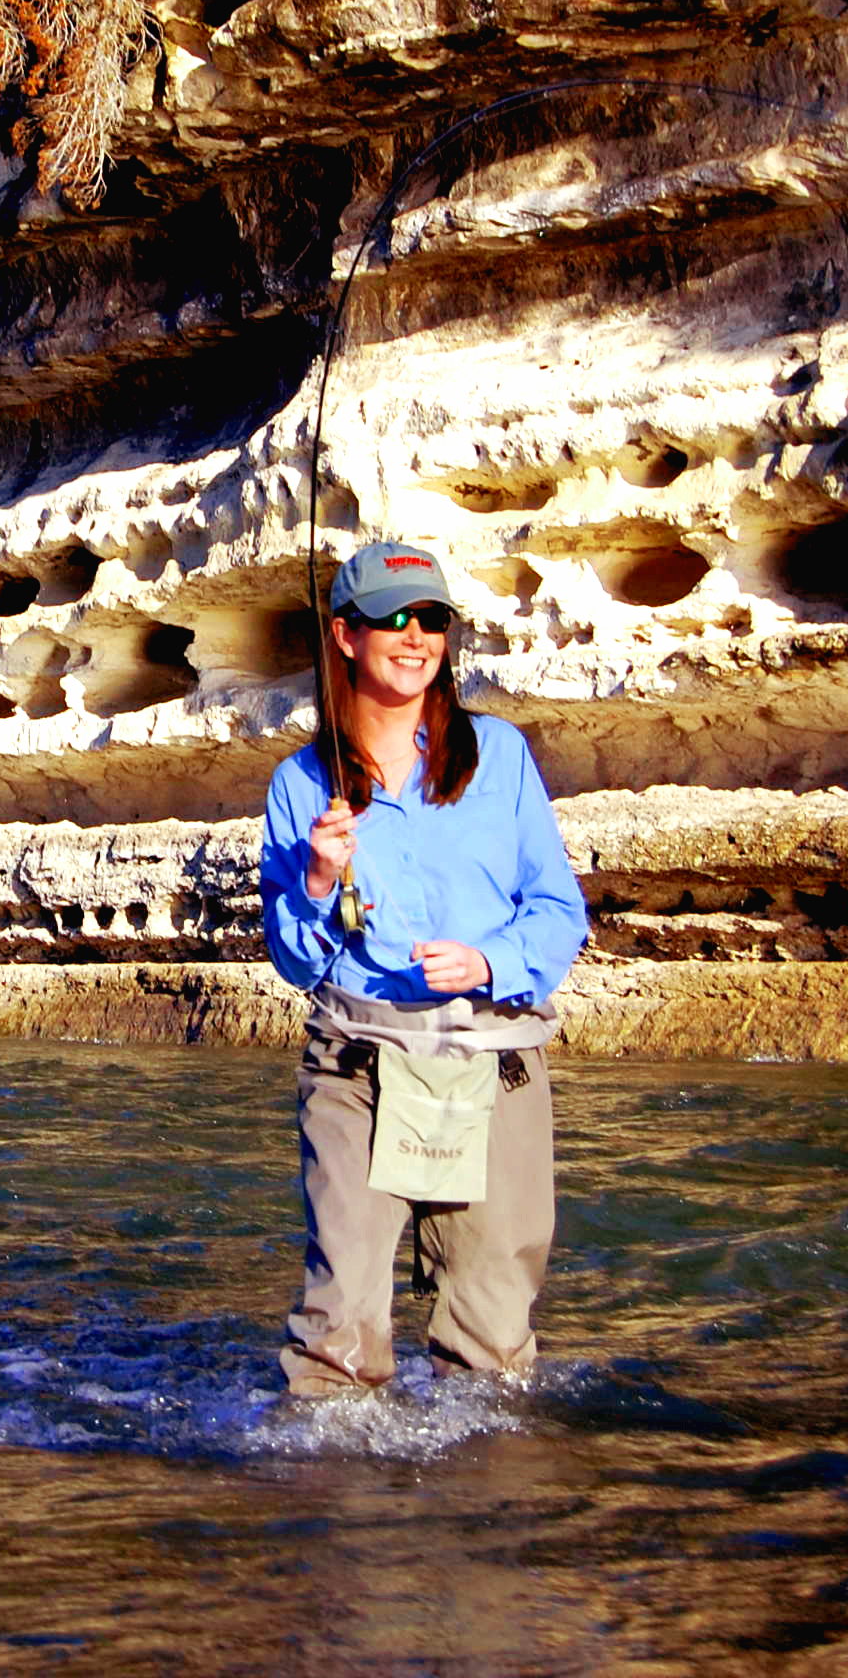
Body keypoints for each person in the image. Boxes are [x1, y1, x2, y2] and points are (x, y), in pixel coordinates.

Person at [260, 537, 589, 1394]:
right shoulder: (301, 784)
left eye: (433, 620)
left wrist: (490, 960)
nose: (415, 637)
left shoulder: (503, 756)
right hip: (355, 1070)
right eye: (392, 619)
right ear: (344, 636)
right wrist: (318, 879)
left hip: (494, 1064)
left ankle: (481, 1506)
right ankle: (333, 1501)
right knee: (336, 1338)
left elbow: (560, 913)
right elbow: (296, 962)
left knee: (492, 1342)